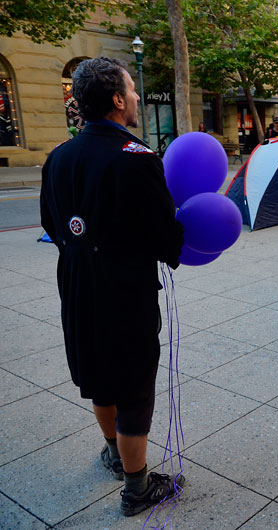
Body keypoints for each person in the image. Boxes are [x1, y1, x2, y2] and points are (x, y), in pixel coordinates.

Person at [39, 57, 185, 517]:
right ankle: (138, 488)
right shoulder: (137, 158)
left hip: (78, 285)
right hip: (125, 290)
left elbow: (50, 223)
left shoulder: (58, 157)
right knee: (135, 387)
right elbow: (165, 237)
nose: (138, 98)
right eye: (132, 90)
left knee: (99, 375)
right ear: (118, 100)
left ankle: (112, 452)